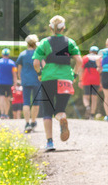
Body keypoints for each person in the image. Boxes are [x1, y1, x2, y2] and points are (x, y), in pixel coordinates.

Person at [33, 15, 82, 152]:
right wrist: (75, 75)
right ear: (63, 28)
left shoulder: (44, 43)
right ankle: (61, 118)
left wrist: (39, 74)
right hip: (66, 78)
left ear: (50, 28)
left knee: (47, 110)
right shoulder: (70, 42)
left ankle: (50, 142)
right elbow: (79, 61)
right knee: (60, 109)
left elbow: (36, 62)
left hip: (48, 78)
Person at [15, 34, 41, 133]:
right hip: (37, 80)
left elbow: (19, 69)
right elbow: (42, 65)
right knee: (36, 102)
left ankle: (27, 123)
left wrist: (20, 78)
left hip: (25, 81)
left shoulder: (22, 54)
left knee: (26, 102)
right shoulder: (38, 54)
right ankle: (33, 121)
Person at [0, 48, 16, 120]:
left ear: (2, 54)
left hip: (0, 83)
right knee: (8, 99)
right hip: (9, 83)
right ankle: (6, 114)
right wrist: (15, 84)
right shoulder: (12, 63)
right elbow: (14, 74)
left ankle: (2, 114)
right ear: (8, 55)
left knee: (1, 98)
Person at [81, 45, 103, 119]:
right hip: (96, 79)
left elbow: (81, 69)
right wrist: (101, 83)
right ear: (97, 52)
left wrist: (80, 80)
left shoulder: (85, 58)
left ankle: (87, 107)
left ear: (90, 51)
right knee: (94, 97)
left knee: (85, 96)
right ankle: (92, 115)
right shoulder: (99, 59)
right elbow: (101, 71)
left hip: (86, 78)